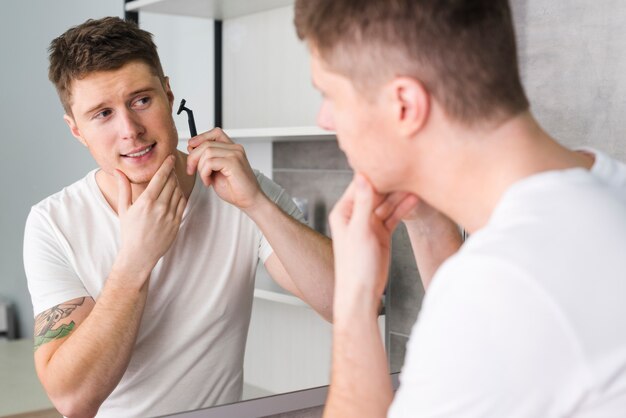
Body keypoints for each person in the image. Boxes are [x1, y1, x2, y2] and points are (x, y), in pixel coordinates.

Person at [294, 0, 626, 417]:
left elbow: (489, 306)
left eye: (329, 94)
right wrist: (429, 222)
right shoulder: (603, 186)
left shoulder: (499, 287)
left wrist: (355, 304)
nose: (324, 118)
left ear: (404, 106)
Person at [23, 16, 334, 418]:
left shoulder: (239, 189)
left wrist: (256, 203)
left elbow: (348, 304)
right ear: (77, 130)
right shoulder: (52, 224)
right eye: (102, 114)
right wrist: (135, 261)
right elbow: (73, 400)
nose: (130, 130)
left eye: (141, 100)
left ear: (168, 95)